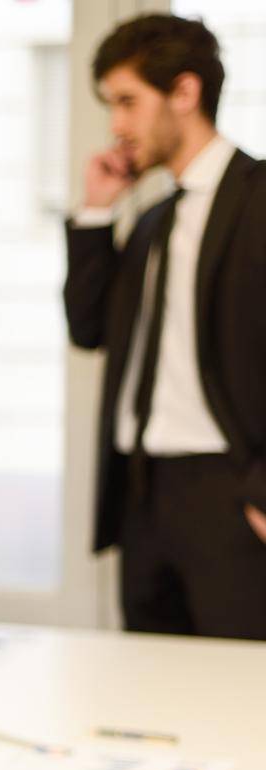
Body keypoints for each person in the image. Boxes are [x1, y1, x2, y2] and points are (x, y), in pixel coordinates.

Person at [64, 13, 266, 640]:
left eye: (127, 102)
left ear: (185, 92)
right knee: (150, 701)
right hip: (144, 494)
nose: (116, 126)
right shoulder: (150, 220)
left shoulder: (259, 199)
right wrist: (97, 216)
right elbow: (88, 327)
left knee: (238, 704)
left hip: (231, 494)